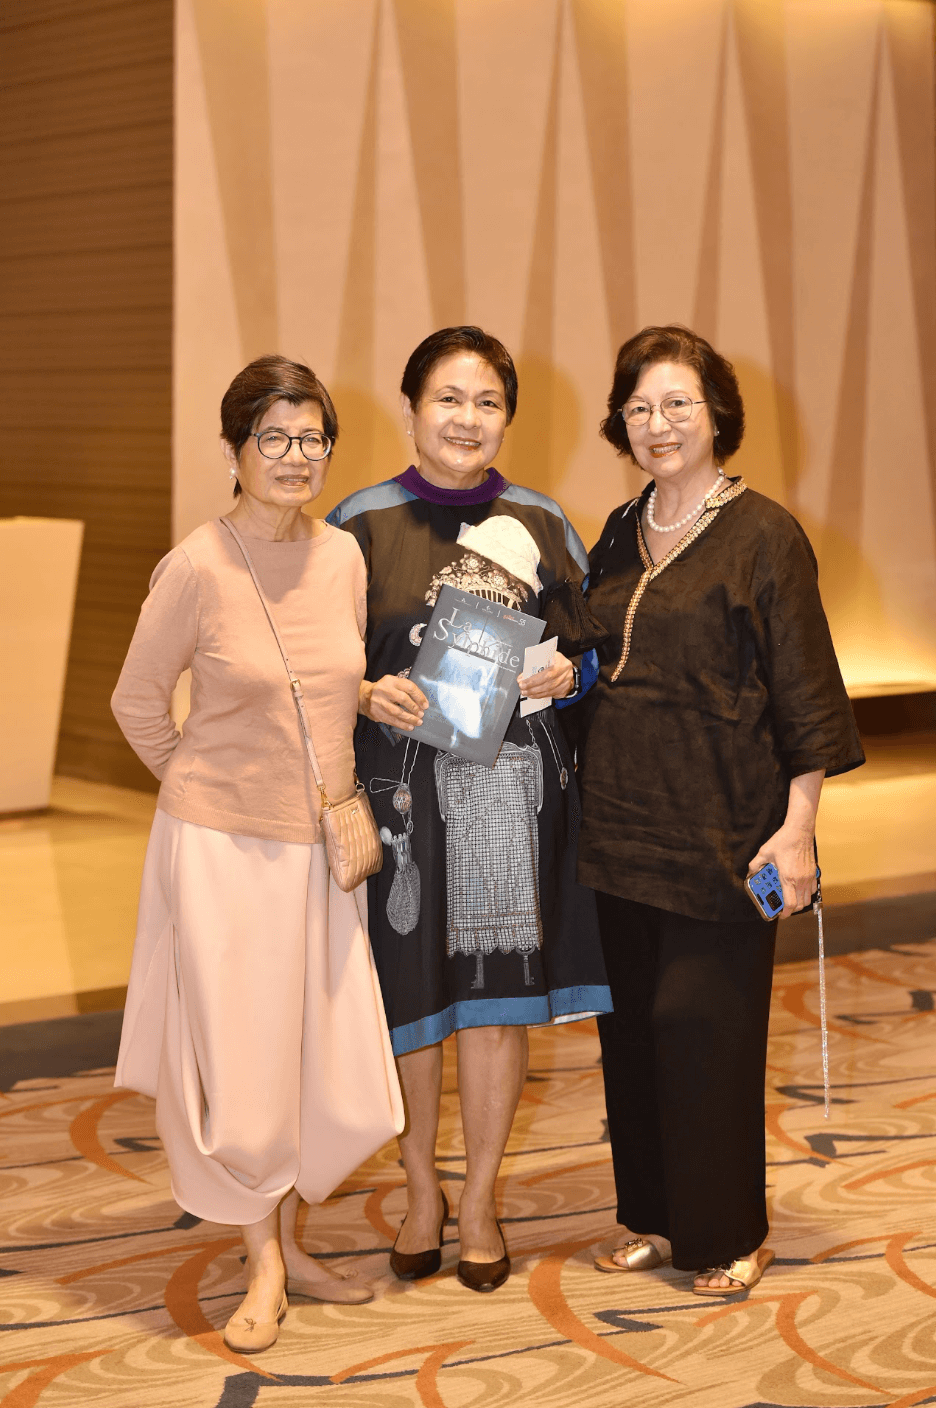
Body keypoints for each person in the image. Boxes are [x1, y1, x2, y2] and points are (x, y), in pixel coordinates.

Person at [111, 355, 402, 1353]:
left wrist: (366, 699)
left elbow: (328, 679)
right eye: (273, 437)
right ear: (235, 449)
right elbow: (136, 700)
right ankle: (266, 1262)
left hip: (321, 845)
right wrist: (200, 787)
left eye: (311, 437)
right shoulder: (197, 562)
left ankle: (290, 1244)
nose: (295, 456)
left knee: (310, 1051)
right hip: (223, 853)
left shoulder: (342, 557)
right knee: (242, 1060)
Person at [575, 325, 864, 1296]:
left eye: (677, 405)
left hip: (726, 834)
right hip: (619, 828)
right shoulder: (619, 529)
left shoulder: (765, 533)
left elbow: (808, 695)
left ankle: (731, 1230)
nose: (657, 424)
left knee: (706, 1032)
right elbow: (584, 646)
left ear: (716, 416)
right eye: (639, 406)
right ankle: (655, 1217)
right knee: (634, 1037)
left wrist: (798, 827)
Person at [328, 325, 612, 1293]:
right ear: (411, 407)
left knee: (492, 1006)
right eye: (449, 398)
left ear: (506, 417)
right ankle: (419, 1190)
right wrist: (368, 691)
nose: (467, 418)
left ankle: (481, 1198)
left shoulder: (539, 519)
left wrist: (571, 674)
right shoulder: (358, 523)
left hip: (508, 799)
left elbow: (595, 648)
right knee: (410, 1001)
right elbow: (316, 658)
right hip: (401, 802)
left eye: (487, 401)